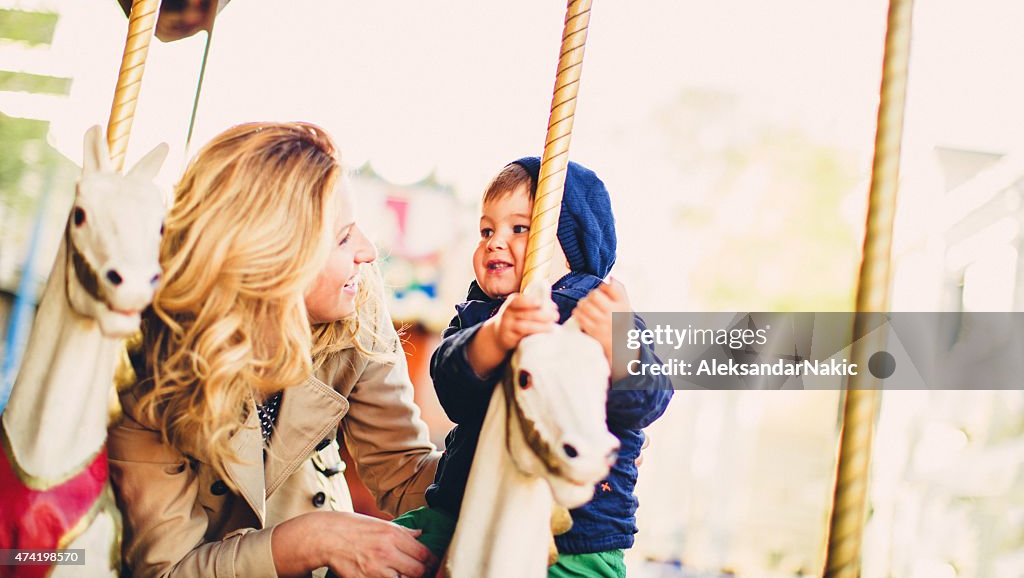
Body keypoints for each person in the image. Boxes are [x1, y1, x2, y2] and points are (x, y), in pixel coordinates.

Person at [108, 122, 440, 578]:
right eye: (343, 237)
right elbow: (167, 570)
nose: (367, 251)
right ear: (273, 262)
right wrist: (310, 539)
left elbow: (403, 473)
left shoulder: (357, 307)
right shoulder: (150, 370)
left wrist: (489, 449)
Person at [393, 157, 673, 577]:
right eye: (486, 230)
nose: (494, 242)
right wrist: (493, 337)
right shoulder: (478, 317)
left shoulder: (602, 314)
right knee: (381, 559)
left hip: (580, 534)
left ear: (572, 244)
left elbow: (649, 401)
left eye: (519, 229)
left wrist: (620, 349)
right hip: (465, 510)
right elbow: (451, 390)